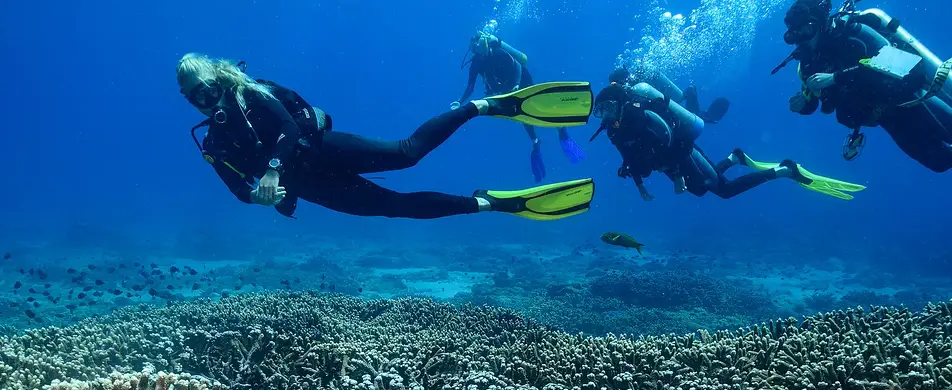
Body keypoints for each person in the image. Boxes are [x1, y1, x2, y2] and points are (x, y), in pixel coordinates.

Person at [178, 54, 596, 221]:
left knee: (408, 154)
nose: (205, 99)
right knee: (396, 208)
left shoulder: (253, 92)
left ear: (218, 79)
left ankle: (483, 106)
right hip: (310, 185)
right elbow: (237, 191)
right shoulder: (213, 144)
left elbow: (288, 126)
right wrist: (259, 196)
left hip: (321, 148)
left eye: (208, 88)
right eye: (195, 96)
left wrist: (270, 170)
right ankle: (492, 203)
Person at [591, 76, 864, 200]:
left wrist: (676, 175)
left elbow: (678, 140)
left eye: (608, 108)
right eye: (599, 111)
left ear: (620, 104)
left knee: (724, 190)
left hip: (685, 153)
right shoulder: (614, 130)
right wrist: (640, 186)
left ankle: (784, 170)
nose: (604, 115)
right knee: (700, 190)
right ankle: (735, 157)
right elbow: (628, 156)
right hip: (671, 165)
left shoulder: (642, 117)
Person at [776, 0, 952, 171]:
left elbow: (900, 63)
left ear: (821, 23)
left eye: (807, 30)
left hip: (910, 98)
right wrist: (802, 105)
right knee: (941, 162)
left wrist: (836, 77)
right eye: (794, 35)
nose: (802, 39)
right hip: (887, 119)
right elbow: (811, 100)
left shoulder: (853, 32)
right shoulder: (809, 64)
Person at [453, 31, 586, 182]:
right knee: (522, 113)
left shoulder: (498, 52)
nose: (477, 48)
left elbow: (517, 66)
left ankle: (560, 128)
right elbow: (470, 86)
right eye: (474, 47)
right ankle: (536, 141)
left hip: (522, 81)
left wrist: (517, 85)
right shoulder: (476, 63)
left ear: (484, 42)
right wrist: (459, 101)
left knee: (536, 107)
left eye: (478, 44)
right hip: (506, 88)